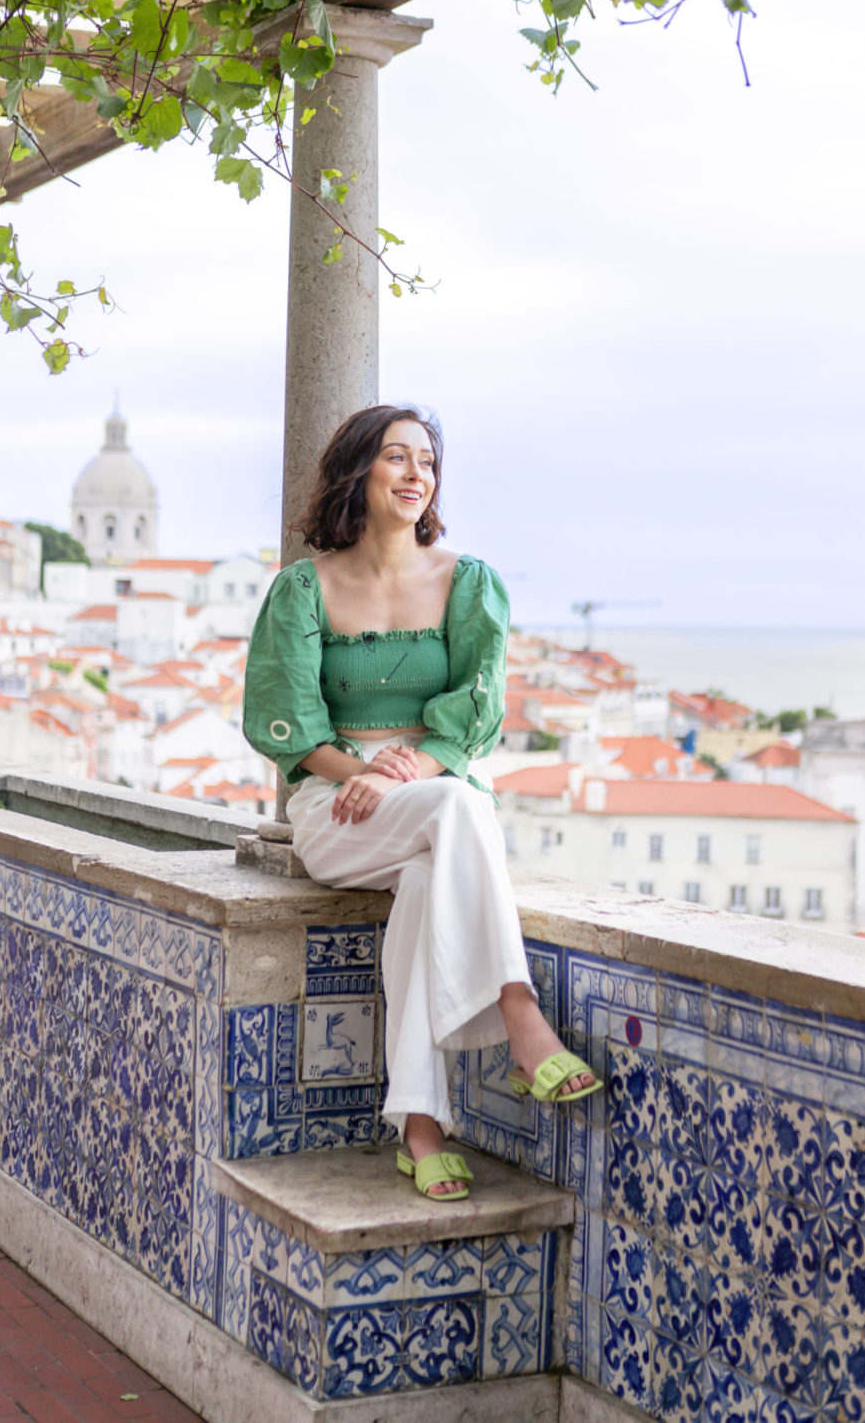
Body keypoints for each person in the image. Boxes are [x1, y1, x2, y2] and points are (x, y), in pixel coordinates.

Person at [243, 405, 600, 1200]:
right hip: (336, 805)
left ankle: (420, 1126)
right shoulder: (304, 589)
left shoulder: (466, 583)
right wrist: (360, 771)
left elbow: (478, 710)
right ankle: (519, 1014)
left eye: (428, 463)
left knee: (430, 876)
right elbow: (289, 726)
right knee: (457, 812)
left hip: (433, 781)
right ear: (358, 469)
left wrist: (407, 771)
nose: (416, 475)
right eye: (398, 458)